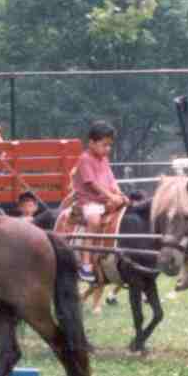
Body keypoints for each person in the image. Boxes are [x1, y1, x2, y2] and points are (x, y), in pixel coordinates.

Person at [71, 120, 128, 283]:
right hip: (88, 202)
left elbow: (111, 180)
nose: (107, 149)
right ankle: (86, 262)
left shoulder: (104, 159)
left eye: (110, 146)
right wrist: (111, 197)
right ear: (92, 142)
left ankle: (112, 252)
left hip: (104, 201)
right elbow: (92, 184)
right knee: (94, 220)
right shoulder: (85, 159)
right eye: (104, 145)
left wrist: (118, 193)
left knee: (125, 205)